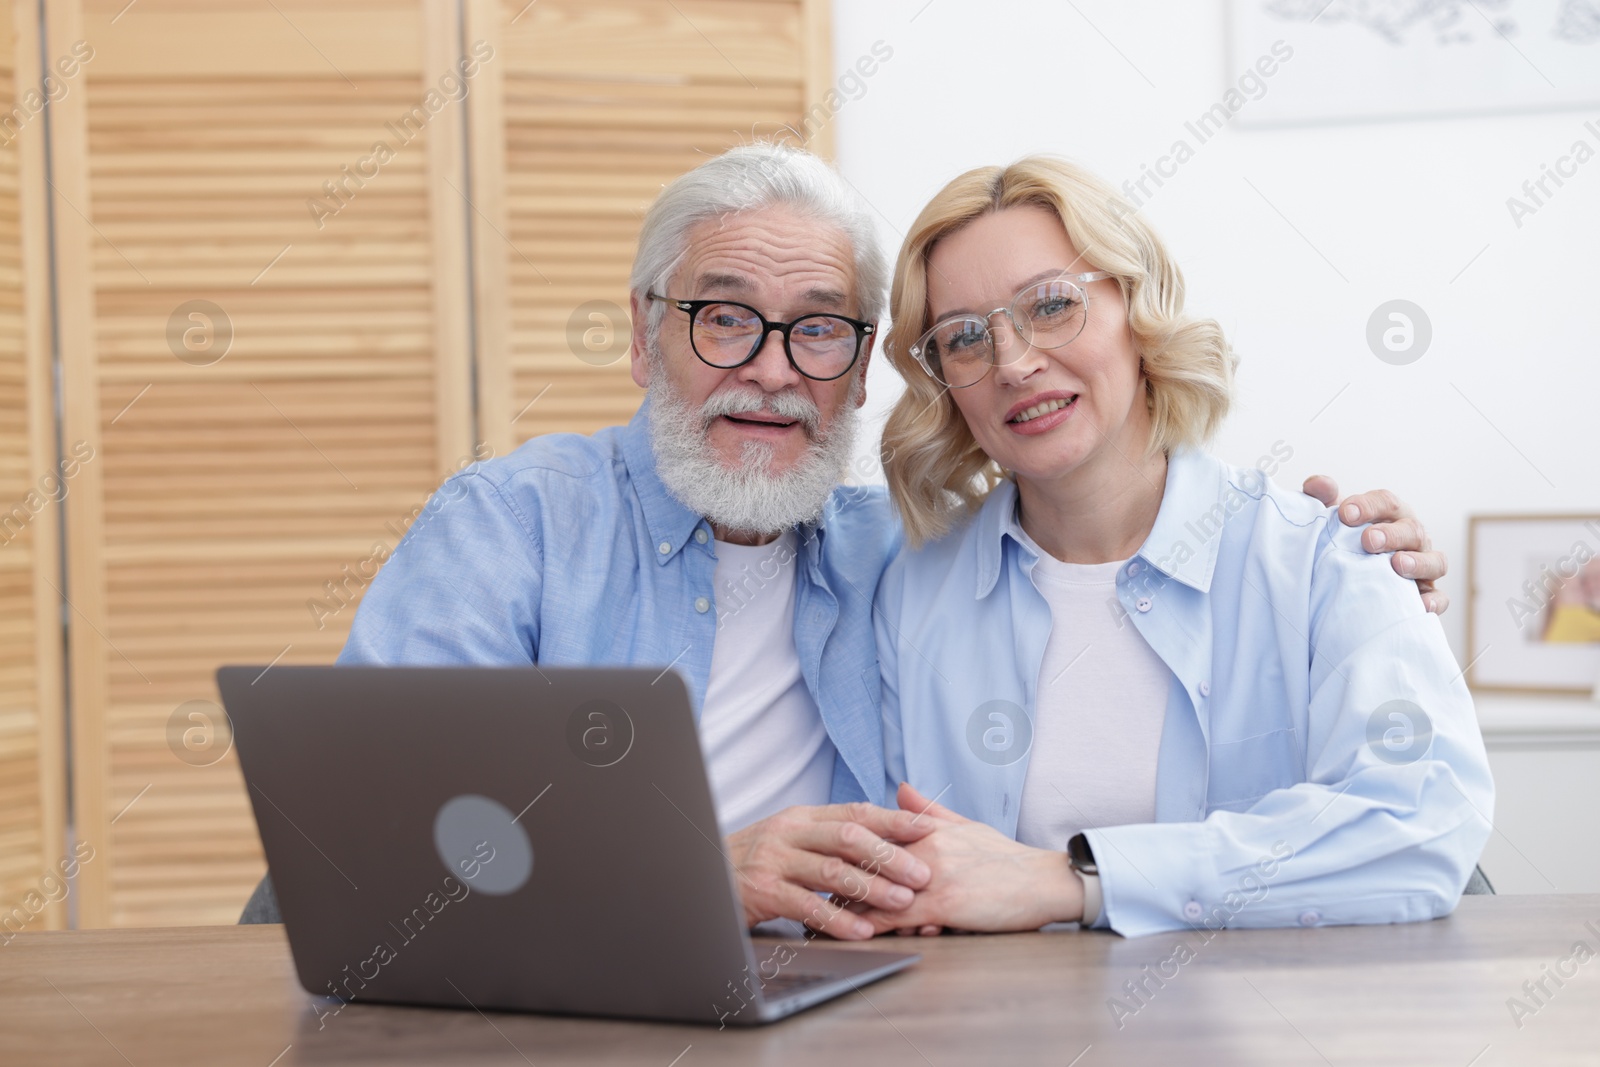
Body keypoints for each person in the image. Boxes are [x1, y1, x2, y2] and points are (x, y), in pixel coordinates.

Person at [241, 143, 1451, 939]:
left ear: (862, 367)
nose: (770, 373)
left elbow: (1412, 820)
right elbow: (368, 852)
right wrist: (698, 870)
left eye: (817, 330)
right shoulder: (513, 527)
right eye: (724, 319)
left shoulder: (899, 554)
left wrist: (1366, 568)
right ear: (641, 332)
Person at [859, 156, 1493, 939]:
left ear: (1138, 306)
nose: (1015, 363)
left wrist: (1075, 879)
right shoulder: (912, 593)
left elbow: (1423, 825)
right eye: (964, 339)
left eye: (1052, 305)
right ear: (944, 383)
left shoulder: (1327, 562)